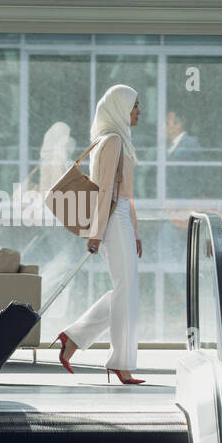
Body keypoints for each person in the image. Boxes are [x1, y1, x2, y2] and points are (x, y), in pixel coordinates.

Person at [56, 84, 145, 385]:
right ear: (119, 108)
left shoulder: (119, 141)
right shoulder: (112, 141)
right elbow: (104, 191)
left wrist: (136, 231)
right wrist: (96, 233)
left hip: (119, 219)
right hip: (110, 220)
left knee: (126, 290)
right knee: (126, 290)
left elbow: (124, 193)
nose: (139, 112)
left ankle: (73, 337)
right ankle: (120, 362)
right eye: (134, 106)